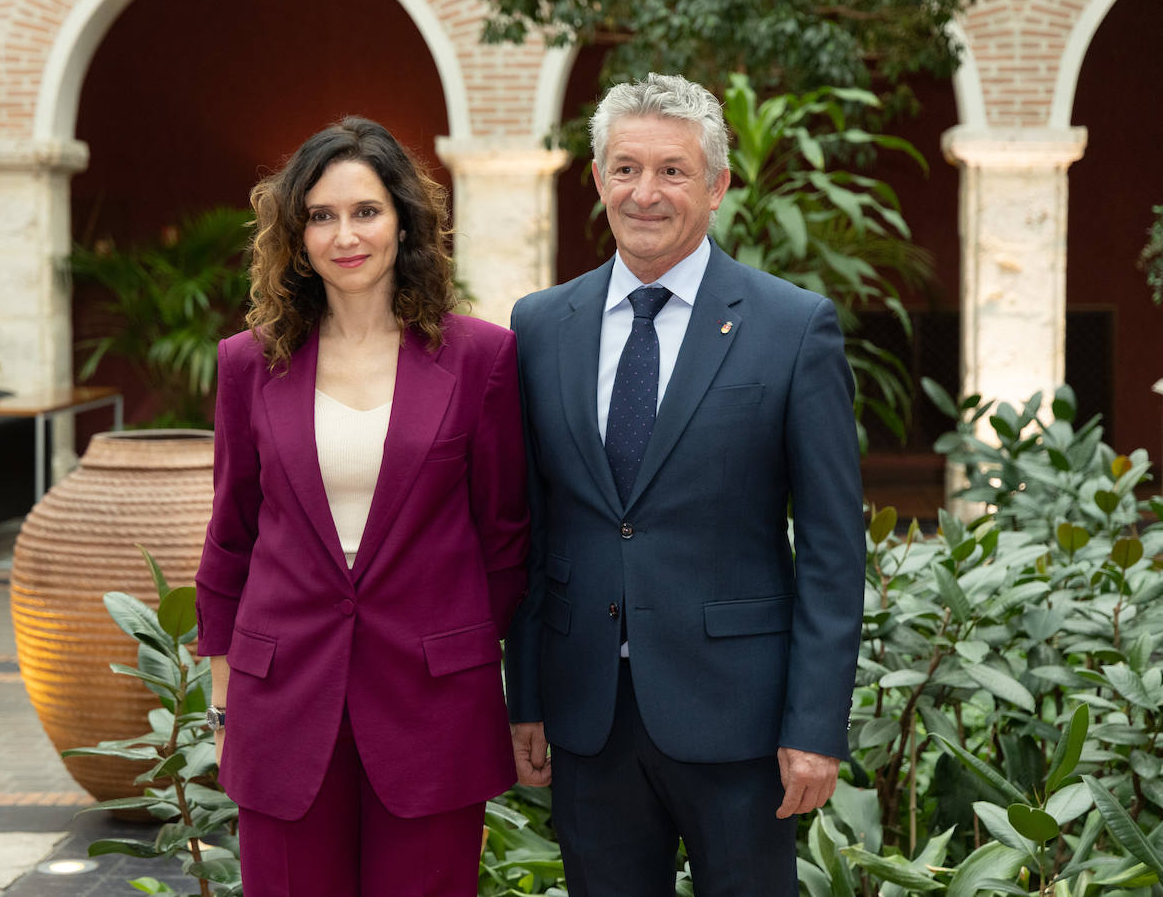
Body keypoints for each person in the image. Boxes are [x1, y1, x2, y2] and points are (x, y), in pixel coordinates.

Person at [504, 73, 865, 895]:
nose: (646, 192)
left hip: (739, 720)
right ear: (597, 181)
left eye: (673, 170)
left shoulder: (792, 326)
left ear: (718, 185)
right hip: (588, 717)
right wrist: (525, 697)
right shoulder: (538, 326)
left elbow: (833, 551)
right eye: (625, 169)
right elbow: (529, 527)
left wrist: (815, 726)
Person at [194, 116, 529, 897]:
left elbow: (505, 539)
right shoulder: (248, 363)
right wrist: (223, 692)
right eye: (321, 215)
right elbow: (231, 532)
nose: (345, 235)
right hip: (282, 703)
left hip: (433, 707)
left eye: (366, 211)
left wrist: (470, 652)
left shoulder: (481, 358)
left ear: (405, 222)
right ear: (296, 233)